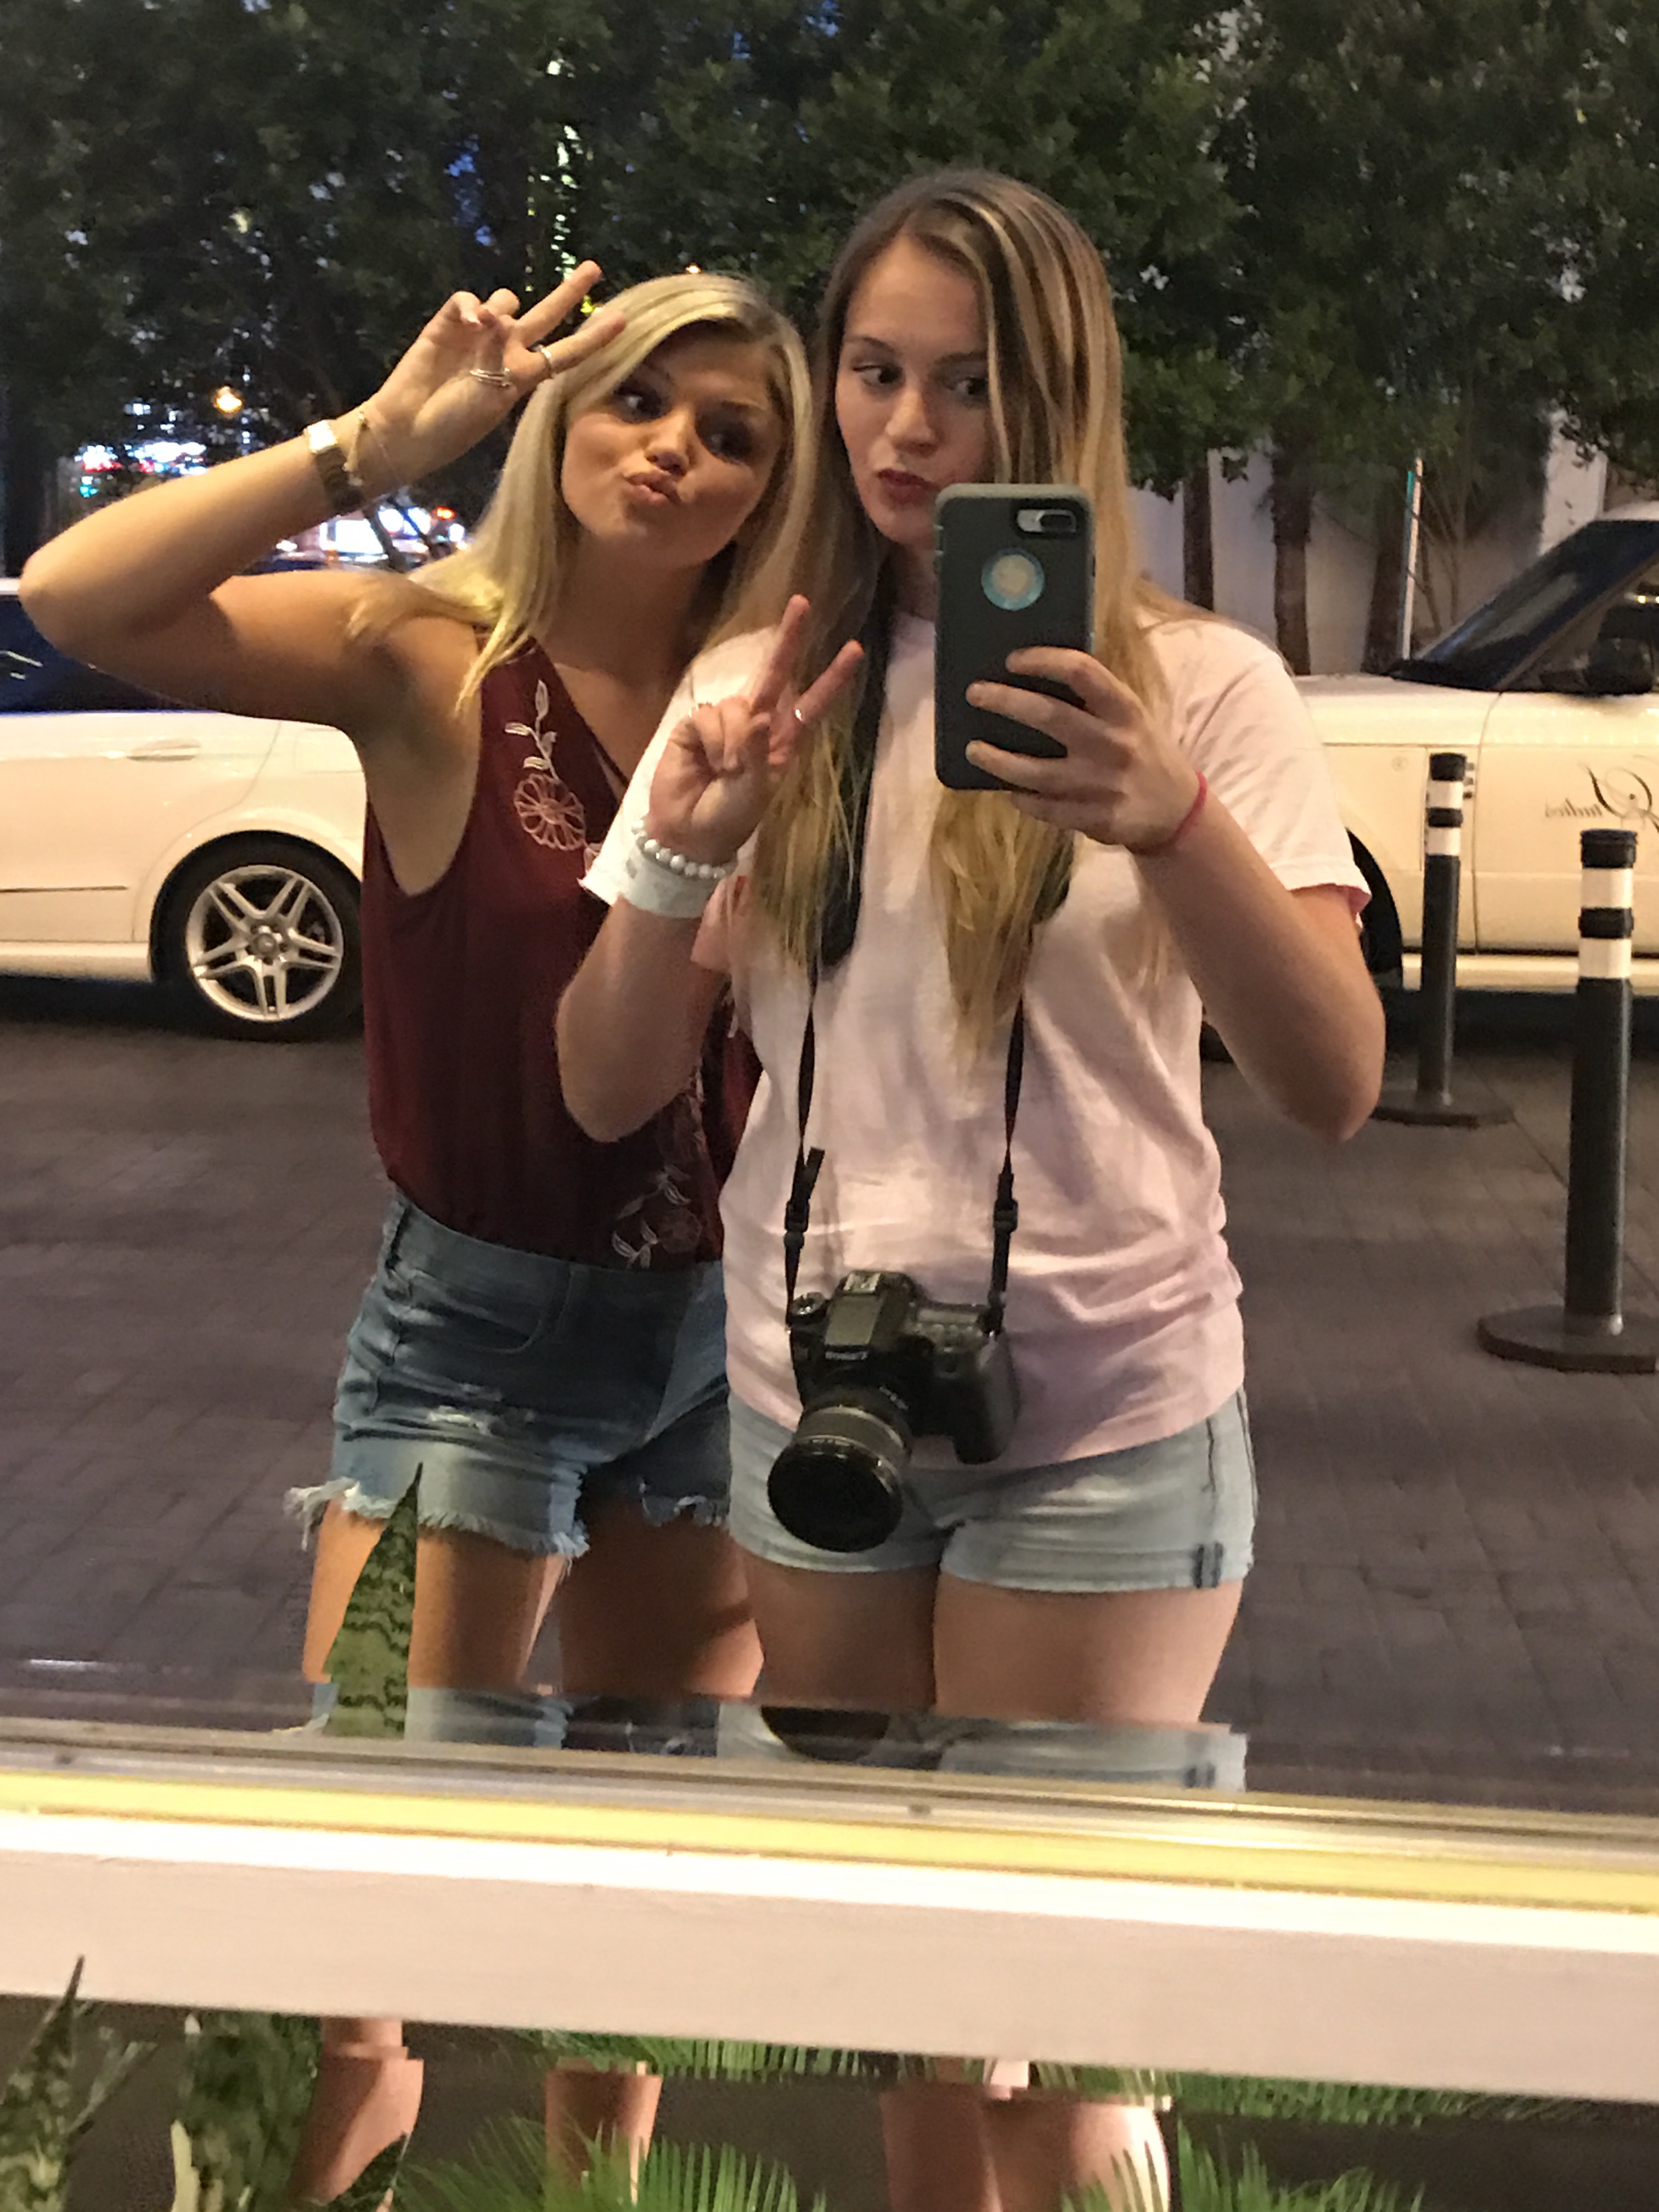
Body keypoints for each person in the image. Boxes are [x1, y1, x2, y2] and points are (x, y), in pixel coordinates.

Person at [557, 171, 1385, 2211]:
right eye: (874, 372)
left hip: (1103, 1418)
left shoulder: (1203, 691)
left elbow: (1333, 1082)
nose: (909, 429)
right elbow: (607, 1085)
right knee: (909, 2010)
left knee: (1066, 2018)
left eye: (968, 383)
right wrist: (678, 855)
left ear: (1062, 398)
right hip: (821, 1407)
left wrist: (1172, 823)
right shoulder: (764, 682)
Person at [21, 259, 815, 2196]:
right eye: (639, 401)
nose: (675, 451)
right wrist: (364, 449)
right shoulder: (437, 659)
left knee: (634, 1874)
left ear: (768, 491)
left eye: (730, 434)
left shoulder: (778, 701)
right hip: (480, 1343)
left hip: (718, 1344)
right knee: (364, 1895)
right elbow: (74, 596)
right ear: (561, 420)